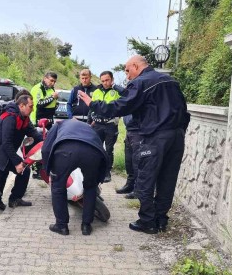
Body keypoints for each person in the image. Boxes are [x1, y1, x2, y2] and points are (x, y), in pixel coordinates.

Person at [78, 55, 190, 234]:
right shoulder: (171, 81)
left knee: (145, 179)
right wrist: (179, 132)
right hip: (176, 137)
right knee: (167, 180)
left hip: (154, 138)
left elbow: (120, 107)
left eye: (128, 71)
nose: (128, 76)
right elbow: (184, 111)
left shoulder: (141, 82)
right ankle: (161, 219)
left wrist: (93, 104)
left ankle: (147, 221)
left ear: (136, 66)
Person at [0, 93, 43, 234]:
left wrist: (47, 142)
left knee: (25, 171)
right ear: (22, 105)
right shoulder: (10, 117)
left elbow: (34, 134)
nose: (32, 108)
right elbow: (6, 143)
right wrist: (18, 162)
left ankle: (15, 199)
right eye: (31, 106)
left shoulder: (24, 118)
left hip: (5, 155)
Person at [42, 119, 108, 236]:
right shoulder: (88, 128)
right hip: (92, 153)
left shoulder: (58, 124)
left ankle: (61, 226)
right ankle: (86, 226)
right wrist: (100, 177)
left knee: (58, 187)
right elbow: (100, 147)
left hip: (66, 152)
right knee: (90, 187)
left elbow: (46, 148)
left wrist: (48, 169)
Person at [88, 71, 121, 183]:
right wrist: (89, 122)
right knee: (96, 148)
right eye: (102, 81)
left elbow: (124, 104)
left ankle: (107, 173)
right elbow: (91, 108)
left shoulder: (116, 91)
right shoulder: (96, 92)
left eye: (107, 80)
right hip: (97, 125)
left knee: (108, 150)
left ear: (112, 79)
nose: (105, 83)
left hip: (110, 125)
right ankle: (96, 170)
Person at [30, 72, 58, 179]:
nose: (52, 83)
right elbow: (39, 104)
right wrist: (52, 98)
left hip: (49, 122)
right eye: (51, 80)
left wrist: (55, 103)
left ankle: (45, 168)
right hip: (37, 122)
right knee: (37, 147)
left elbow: (52, 105)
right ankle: (36, 171)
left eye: (54, 81)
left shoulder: (51, 90)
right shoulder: (37, 88)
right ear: (45, 78)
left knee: (48, 146)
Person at [116, 114, 141, 199]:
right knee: (129, 162)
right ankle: (129, 185)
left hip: (139, 132)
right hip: (129, 131)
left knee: (137, 163)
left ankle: (138, 189)